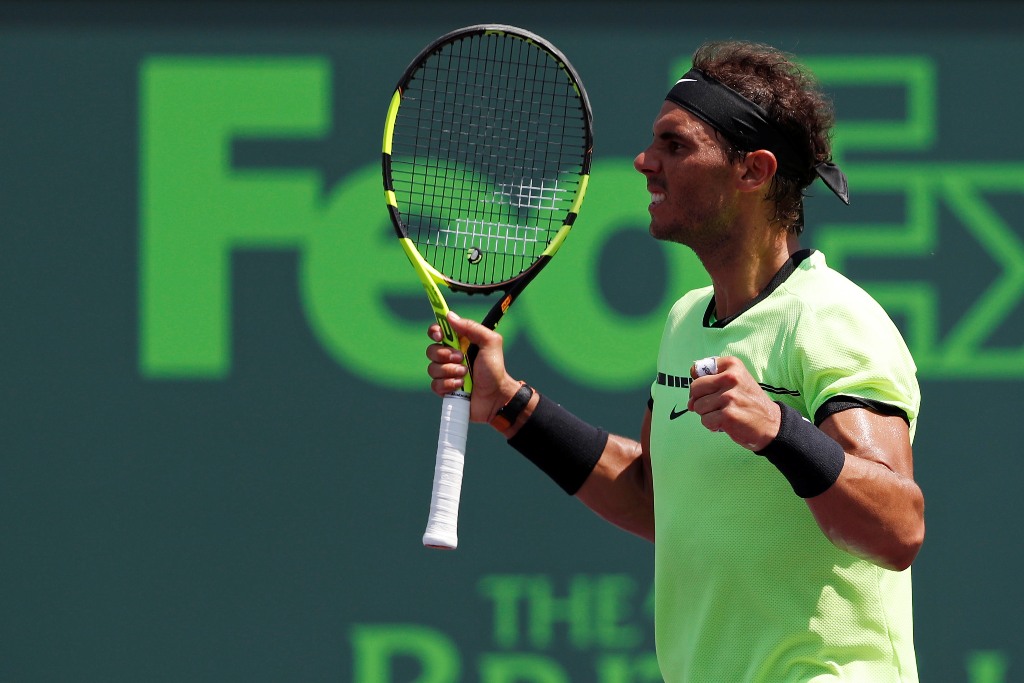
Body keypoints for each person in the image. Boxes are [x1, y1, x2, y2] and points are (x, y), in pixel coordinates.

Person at [425, 40, 924, 682]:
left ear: (753, 171)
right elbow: (652, 498)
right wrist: (510, 405)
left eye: (675, 145)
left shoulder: (831, 319)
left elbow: (897, 529)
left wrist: (778, 430)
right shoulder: (688, 319)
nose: (644, 161)